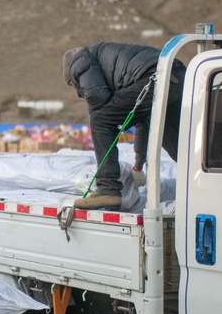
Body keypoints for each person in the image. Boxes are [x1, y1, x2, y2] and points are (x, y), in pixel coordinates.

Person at [63, 42, 186, 209]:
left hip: (152, 77)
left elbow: (98, 99)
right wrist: (137, 166)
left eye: (72, 86)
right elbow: (143, 122)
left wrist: (106, 122)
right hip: (178, 76)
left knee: (99, 119)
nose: (77, 93)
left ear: (71, 77)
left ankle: (108, 190)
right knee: (173, 138)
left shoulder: (79, 61)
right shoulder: (105, 61)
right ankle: (203, 181)